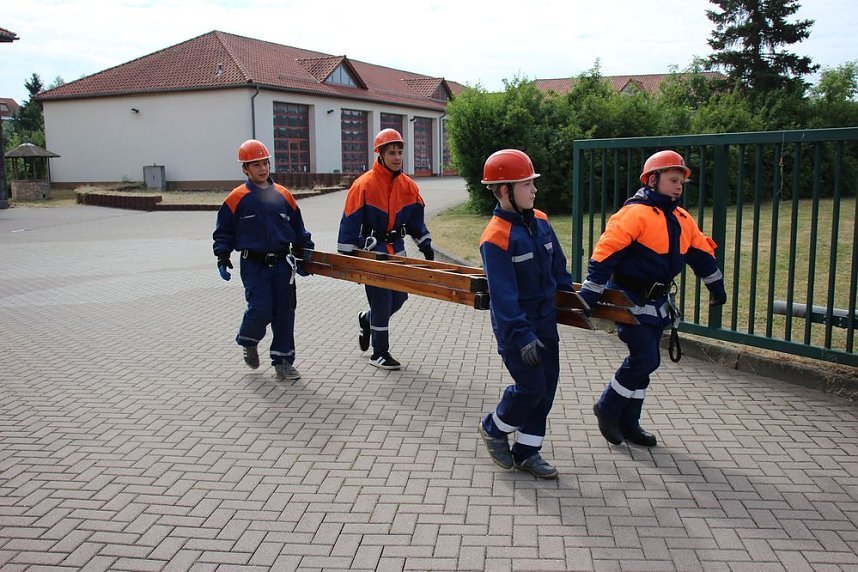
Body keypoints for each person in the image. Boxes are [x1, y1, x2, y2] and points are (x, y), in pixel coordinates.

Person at [578, 150, 727, 447]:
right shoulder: (634, 214)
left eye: (681, 182)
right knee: (645, 358)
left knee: (646, 363)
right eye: (673, 180)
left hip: (657, 303)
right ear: (652, 180)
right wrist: (589, 295)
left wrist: (716, 287)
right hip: (629, 300)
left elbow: (702, 255)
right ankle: (607, 407)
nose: (678, 187)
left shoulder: (682, 219)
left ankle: (630, 423)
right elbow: (606, 253)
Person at [476, 149, 576, 479]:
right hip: (517, 331)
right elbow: (504, 299)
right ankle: (493, 427)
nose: (534, 190)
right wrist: (522, 337)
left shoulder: (541, 221)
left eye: (532, 183)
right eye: (526, 184)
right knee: (531, 388)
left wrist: (573, 298)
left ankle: (527, 452)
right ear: (505, 190)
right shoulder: (495, 238)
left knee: (546, 388)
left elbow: (558, 267)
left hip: (545, 323)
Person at [212, 139, 315, 381]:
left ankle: (283, 361)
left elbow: (299, 230)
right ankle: (248, 339)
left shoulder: (284, 196)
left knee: (284, 313)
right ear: (245, 169)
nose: (263, 168)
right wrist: (222, 255)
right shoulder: (237, 198)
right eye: (256, 164)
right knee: (260, 309)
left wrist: (306, 256)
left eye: (265, 163)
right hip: (254, 266)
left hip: (282, 265)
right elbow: (223, 231)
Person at [337, 128, 434, 370]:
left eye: (399, 152)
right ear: (380, 154)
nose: (397, 157)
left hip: (397, 250)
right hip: (373, 251)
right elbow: (350, 220)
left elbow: (416, 219)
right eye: (391, 152)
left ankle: (367, 319)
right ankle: (379, 353)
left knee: (399, 298)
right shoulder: (364, 185)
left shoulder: (408, 186)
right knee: (381, 301)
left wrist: (425, 243)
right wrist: (349, 253)